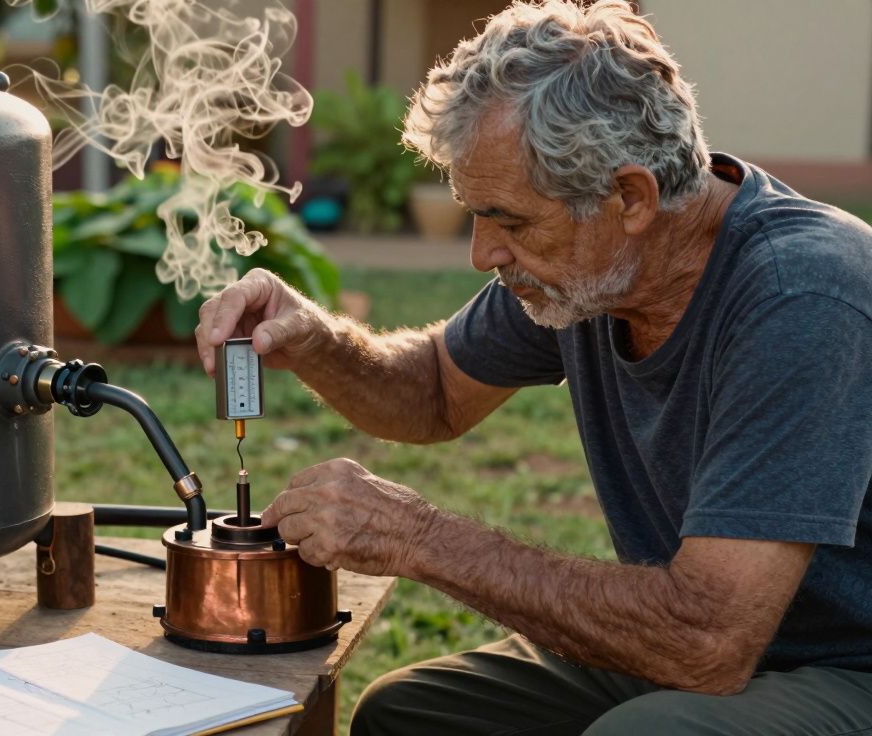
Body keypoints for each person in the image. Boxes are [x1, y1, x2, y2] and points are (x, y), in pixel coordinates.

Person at [194, 1, 872, 733]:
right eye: (475, 215)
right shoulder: (588, 270)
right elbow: (430, 393)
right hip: (700, 643)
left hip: (842, 665)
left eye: (511, 221)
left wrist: (419, 537)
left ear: (630, 197)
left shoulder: (799, 294)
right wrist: (314, 338)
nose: (482, 254)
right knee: (407, 716)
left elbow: (708, 642)